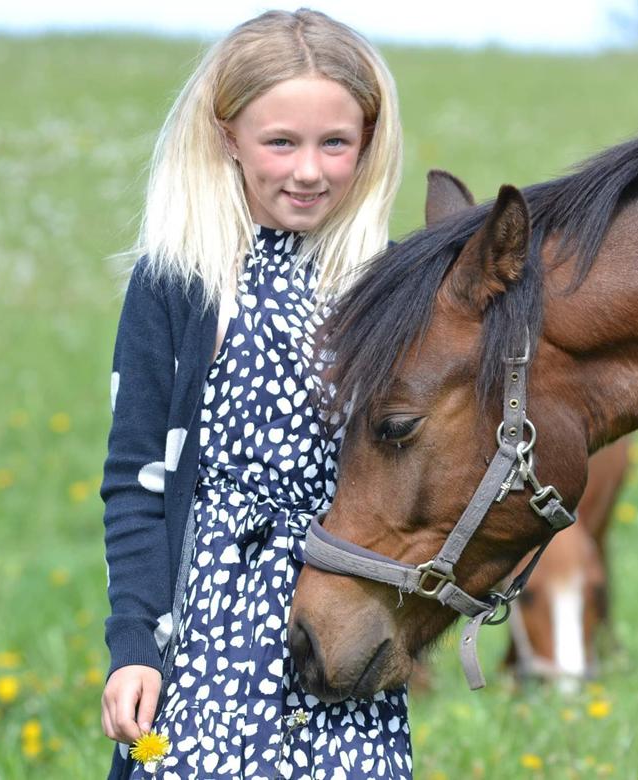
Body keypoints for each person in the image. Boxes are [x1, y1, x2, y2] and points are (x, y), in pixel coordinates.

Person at [98, 9, 409, 779]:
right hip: (205, 630)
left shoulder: (388, 284)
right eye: (280, 142)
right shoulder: (180, 279)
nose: (308, 171)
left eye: (335, 143)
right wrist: (134, 645)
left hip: (335, 617)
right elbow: (136, 481)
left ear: (369, 141)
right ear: (227, 135)